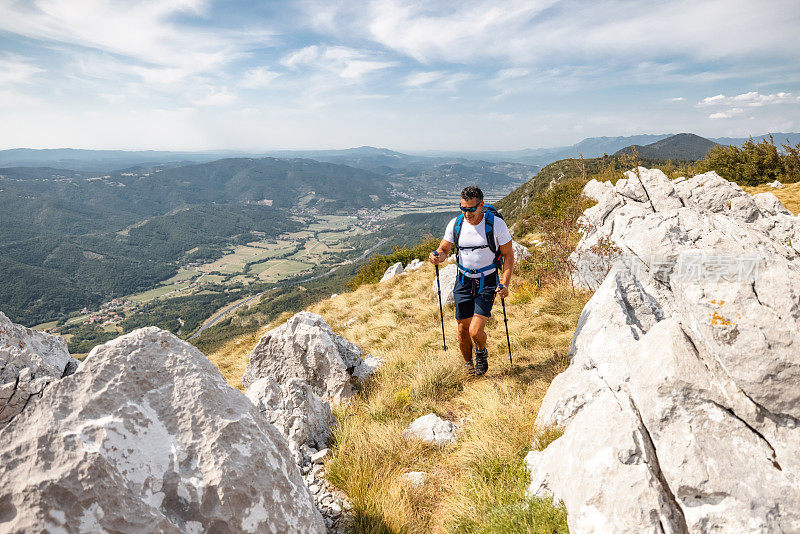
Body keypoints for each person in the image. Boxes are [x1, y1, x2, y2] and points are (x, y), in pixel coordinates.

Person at [429, 185, 513, 376]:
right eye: (463, 208)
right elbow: (444, 249)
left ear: (481, 205)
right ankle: (469, 366)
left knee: (475, 331)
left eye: (471, 209)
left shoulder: (496, 225)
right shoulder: (456, 224)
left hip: (487, 281)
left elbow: (508, 256)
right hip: (463, 280)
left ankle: (481, 351)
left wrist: (505, 283)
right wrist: (437, 256)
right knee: (462, 329)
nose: (467, 213)